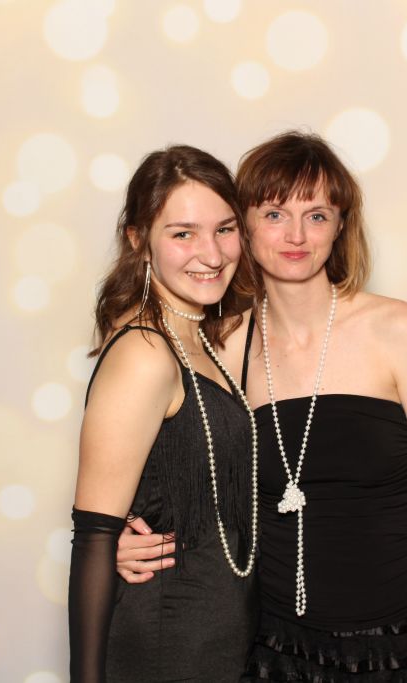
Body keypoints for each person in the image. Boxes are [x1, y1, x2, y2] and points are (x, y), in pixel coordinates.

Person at [118, 132, 407, 682]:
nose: (296, 236)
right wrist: (119, 538)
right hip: (278, 647)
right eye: (274, 214)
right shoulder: (222, 346)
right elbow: (183, 479)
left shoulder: (397, 328)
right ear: (242, 227)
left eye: (317, 216)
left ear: (340, 226)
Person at [69, 144, 261, 682]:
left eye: (225, 229)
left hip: (218, 648)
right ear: (138, 240)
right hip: (165, 648)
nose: (212, 254)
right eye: (183, 234)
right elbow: (94, 537)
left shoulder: (199, 339)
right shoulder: (145, 353)